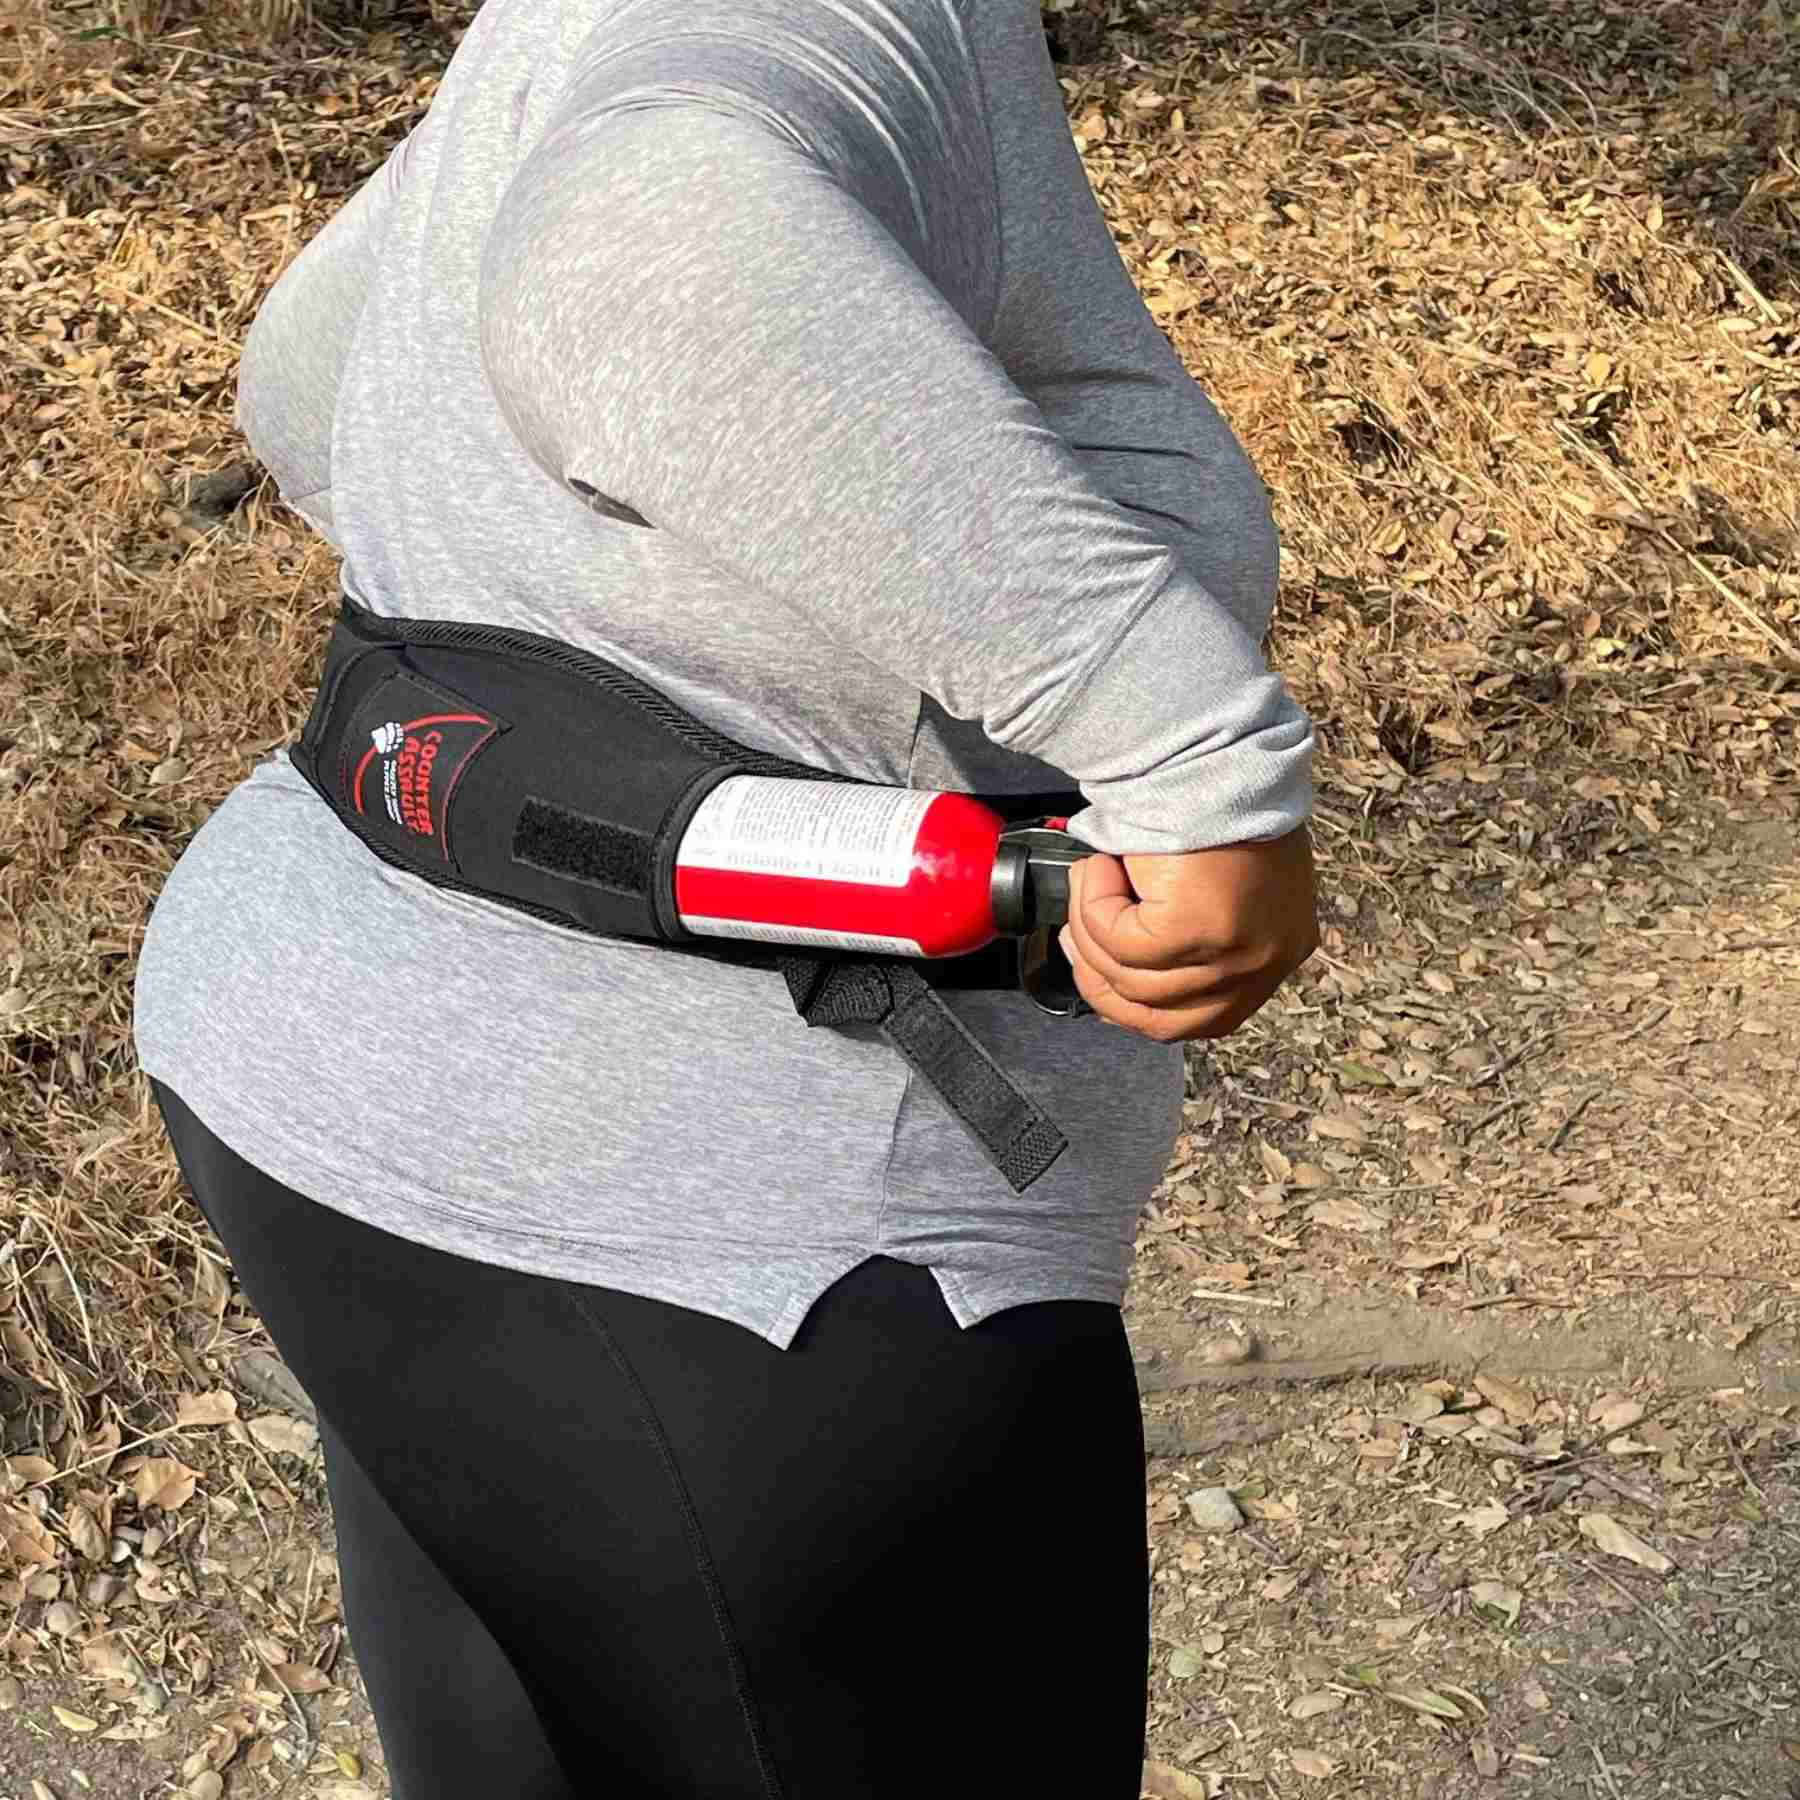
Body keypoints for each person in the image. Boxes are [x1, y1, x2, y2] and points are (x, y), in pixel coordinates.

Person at [132, 2, 1318, 1793]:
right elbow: (646, 241)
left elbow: (312, 362)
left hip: (333, 1075)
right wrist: (1193, 758)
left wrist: (541, 584)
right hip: (737, 1240)